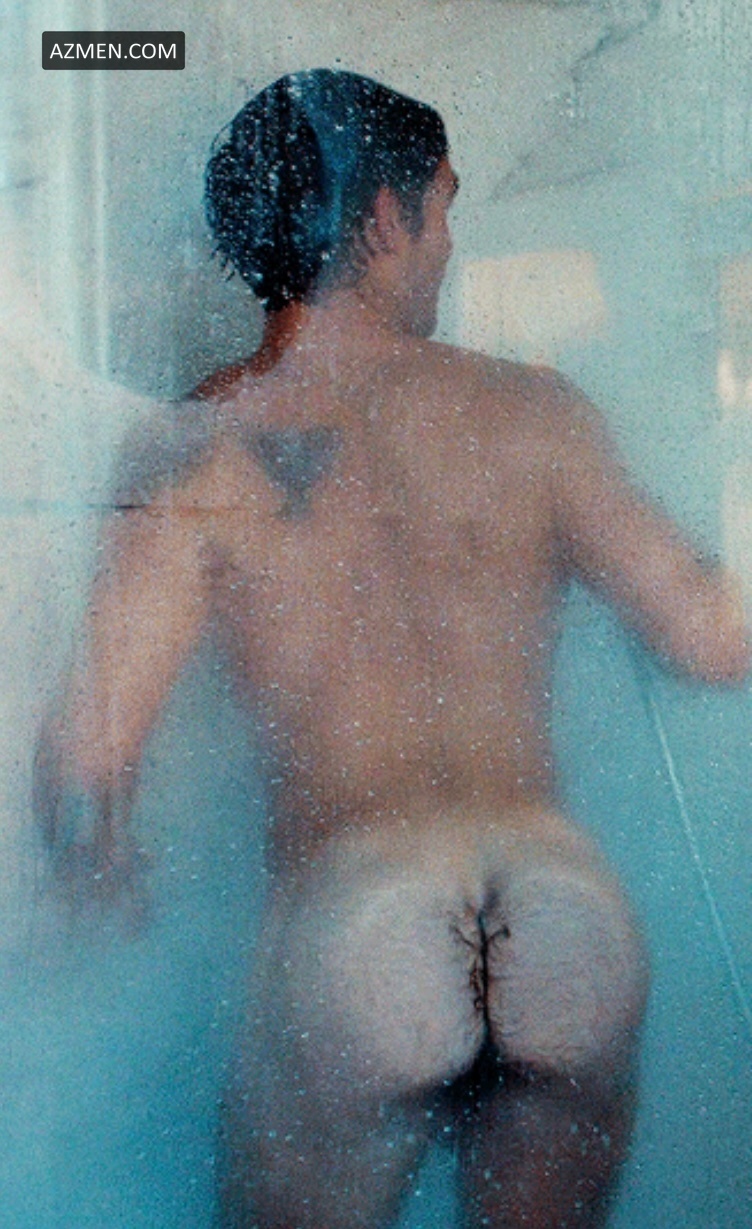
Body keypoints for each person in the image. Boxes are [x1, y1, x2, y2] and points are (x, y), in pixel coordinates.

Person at [35, 69, 750, 1229]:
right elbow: (711, 637)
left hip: (359, 921)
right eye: (443, 208)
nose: (449, 247)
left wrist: (90, 879)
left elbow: (88, 751)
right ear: (380, 218)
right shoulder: (536, 412)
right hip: (559, 907)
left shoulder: (202, 445)